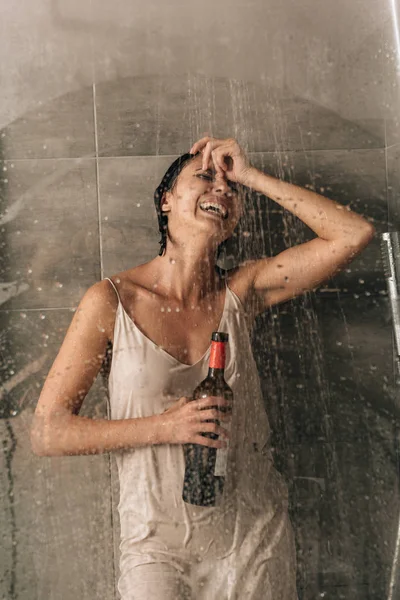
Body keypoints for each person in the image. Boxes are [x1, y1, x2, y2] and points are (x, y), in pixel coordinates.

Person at [30, 136, 375, 599]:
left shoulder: (244, 289)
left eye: (231, 187)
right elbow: (48, 432)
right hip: (156, 543)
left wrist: (250, 175)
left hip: (252, 537)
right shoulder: (111, 301)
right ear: (166, 200)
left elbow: (353, 235)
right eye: (205, 177)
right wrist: (164, 427)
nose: (223, 190)